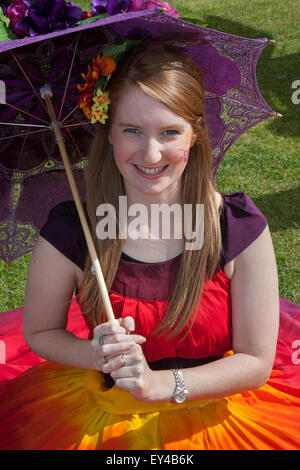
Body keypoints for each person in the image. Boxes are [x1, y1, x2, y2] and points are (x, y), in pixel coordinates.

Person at [0, 43, 299, 450]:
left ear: (195, 134)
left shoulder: (237, 227)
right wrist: (95, 354)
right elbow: (40, 330)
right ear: (108, 132)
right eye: (132, 131)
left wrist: (161, 384)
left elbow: (256, 362)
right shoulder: (73, 230)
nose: (151, 153)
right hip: (100, 415)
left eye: (169, 132)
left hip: (220, 415)